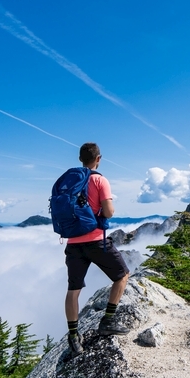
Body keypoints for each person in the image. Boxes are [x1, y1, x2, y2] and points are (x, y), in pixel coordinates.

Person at [64, 142, 131, 353]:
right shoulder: (100, 180)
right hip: (95, 240)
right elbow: (109, 212)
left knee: (73, 290)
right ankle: (107, 321)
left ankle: (74, 336)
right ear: (99, 159)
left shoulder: (69, 181)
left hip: (73, 243)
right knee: (122, 275)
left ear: (80, 159)